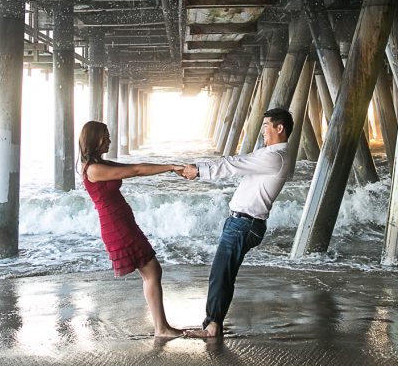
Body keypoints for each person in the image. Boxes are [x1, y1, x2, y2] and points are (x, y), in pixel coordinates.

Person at [179, 107, 296, 338]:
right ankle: (214, 322)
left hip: (244, 224)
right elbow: (239, 161)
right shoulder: (272, 155)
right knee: (224, 273)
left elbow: (234, 165)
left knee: (221, 273)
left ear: (279, 128)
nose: (262, 132)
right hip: (242, 222)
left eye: (266, 127)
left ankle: (212, 326)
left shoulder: (275, 157)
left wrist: (199, 171)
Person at [78, 120, 184, 338]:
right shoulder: (95, 169)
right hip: (116, 226)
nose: (109, 139)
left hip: (122, 223)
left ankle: (161, 326)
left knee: (152, 271)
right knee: (152, 271)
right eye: (105, 135)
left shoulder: (100, 164)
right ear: (94, 138)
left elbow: (138, 167)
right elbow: (135, 171)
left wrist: (168, 167)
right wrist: (172, 167)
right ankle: (161, 328)